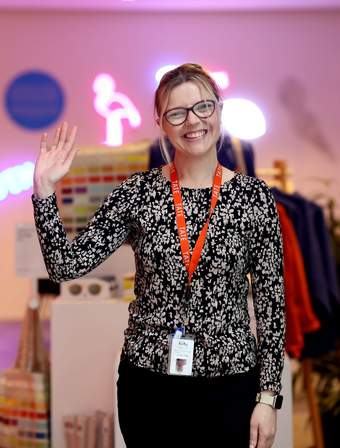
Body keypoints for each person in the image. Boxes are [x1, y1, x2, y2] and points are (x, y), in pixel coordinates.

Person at [32, 63, 285, 448]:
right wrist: (45, 193)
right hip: (149, 382)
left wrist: (268, 397)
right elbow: (66, 265)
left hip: (231, 383)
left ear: (219, 109)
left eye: (203, 107)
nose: (193, 121)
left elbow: (272, 305)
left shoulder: (254, 197)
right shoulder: (139, 192)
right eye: (176, 113)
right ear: (161, 123)